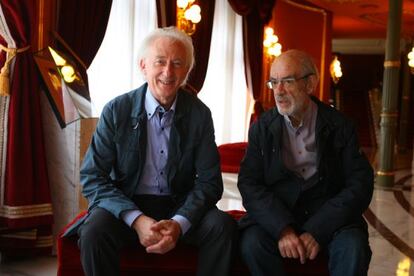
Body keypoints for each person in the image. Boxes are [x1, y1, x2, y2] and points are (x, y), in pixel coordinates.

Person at [63, 26, 237, 276]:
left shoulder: (200, 115)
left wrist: (179, 224)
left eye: (177, 64)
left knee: (222, 226)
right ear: (143, 66)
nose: (168, 72)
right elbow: (93, 176)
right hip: (127, 202)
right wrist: (136, 219)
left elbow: (210, 183)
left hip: (180, 204)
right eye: (160, 62)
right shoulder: (116, 110)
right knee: (94, 230)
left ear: (186, 72)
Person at [238, 49, 373, 276]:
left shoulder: (341, 126)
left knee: (354, 247)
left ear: (310, 84)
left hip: (330, 216)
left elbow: (360, 184)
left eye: (287, 81)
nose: (278, 91)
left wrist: (318, 230)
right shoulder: (262, 128)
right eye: (274, 82)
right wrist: (282, 229)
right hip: (279, 214)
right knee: (252, 244)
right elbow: (249, 183)